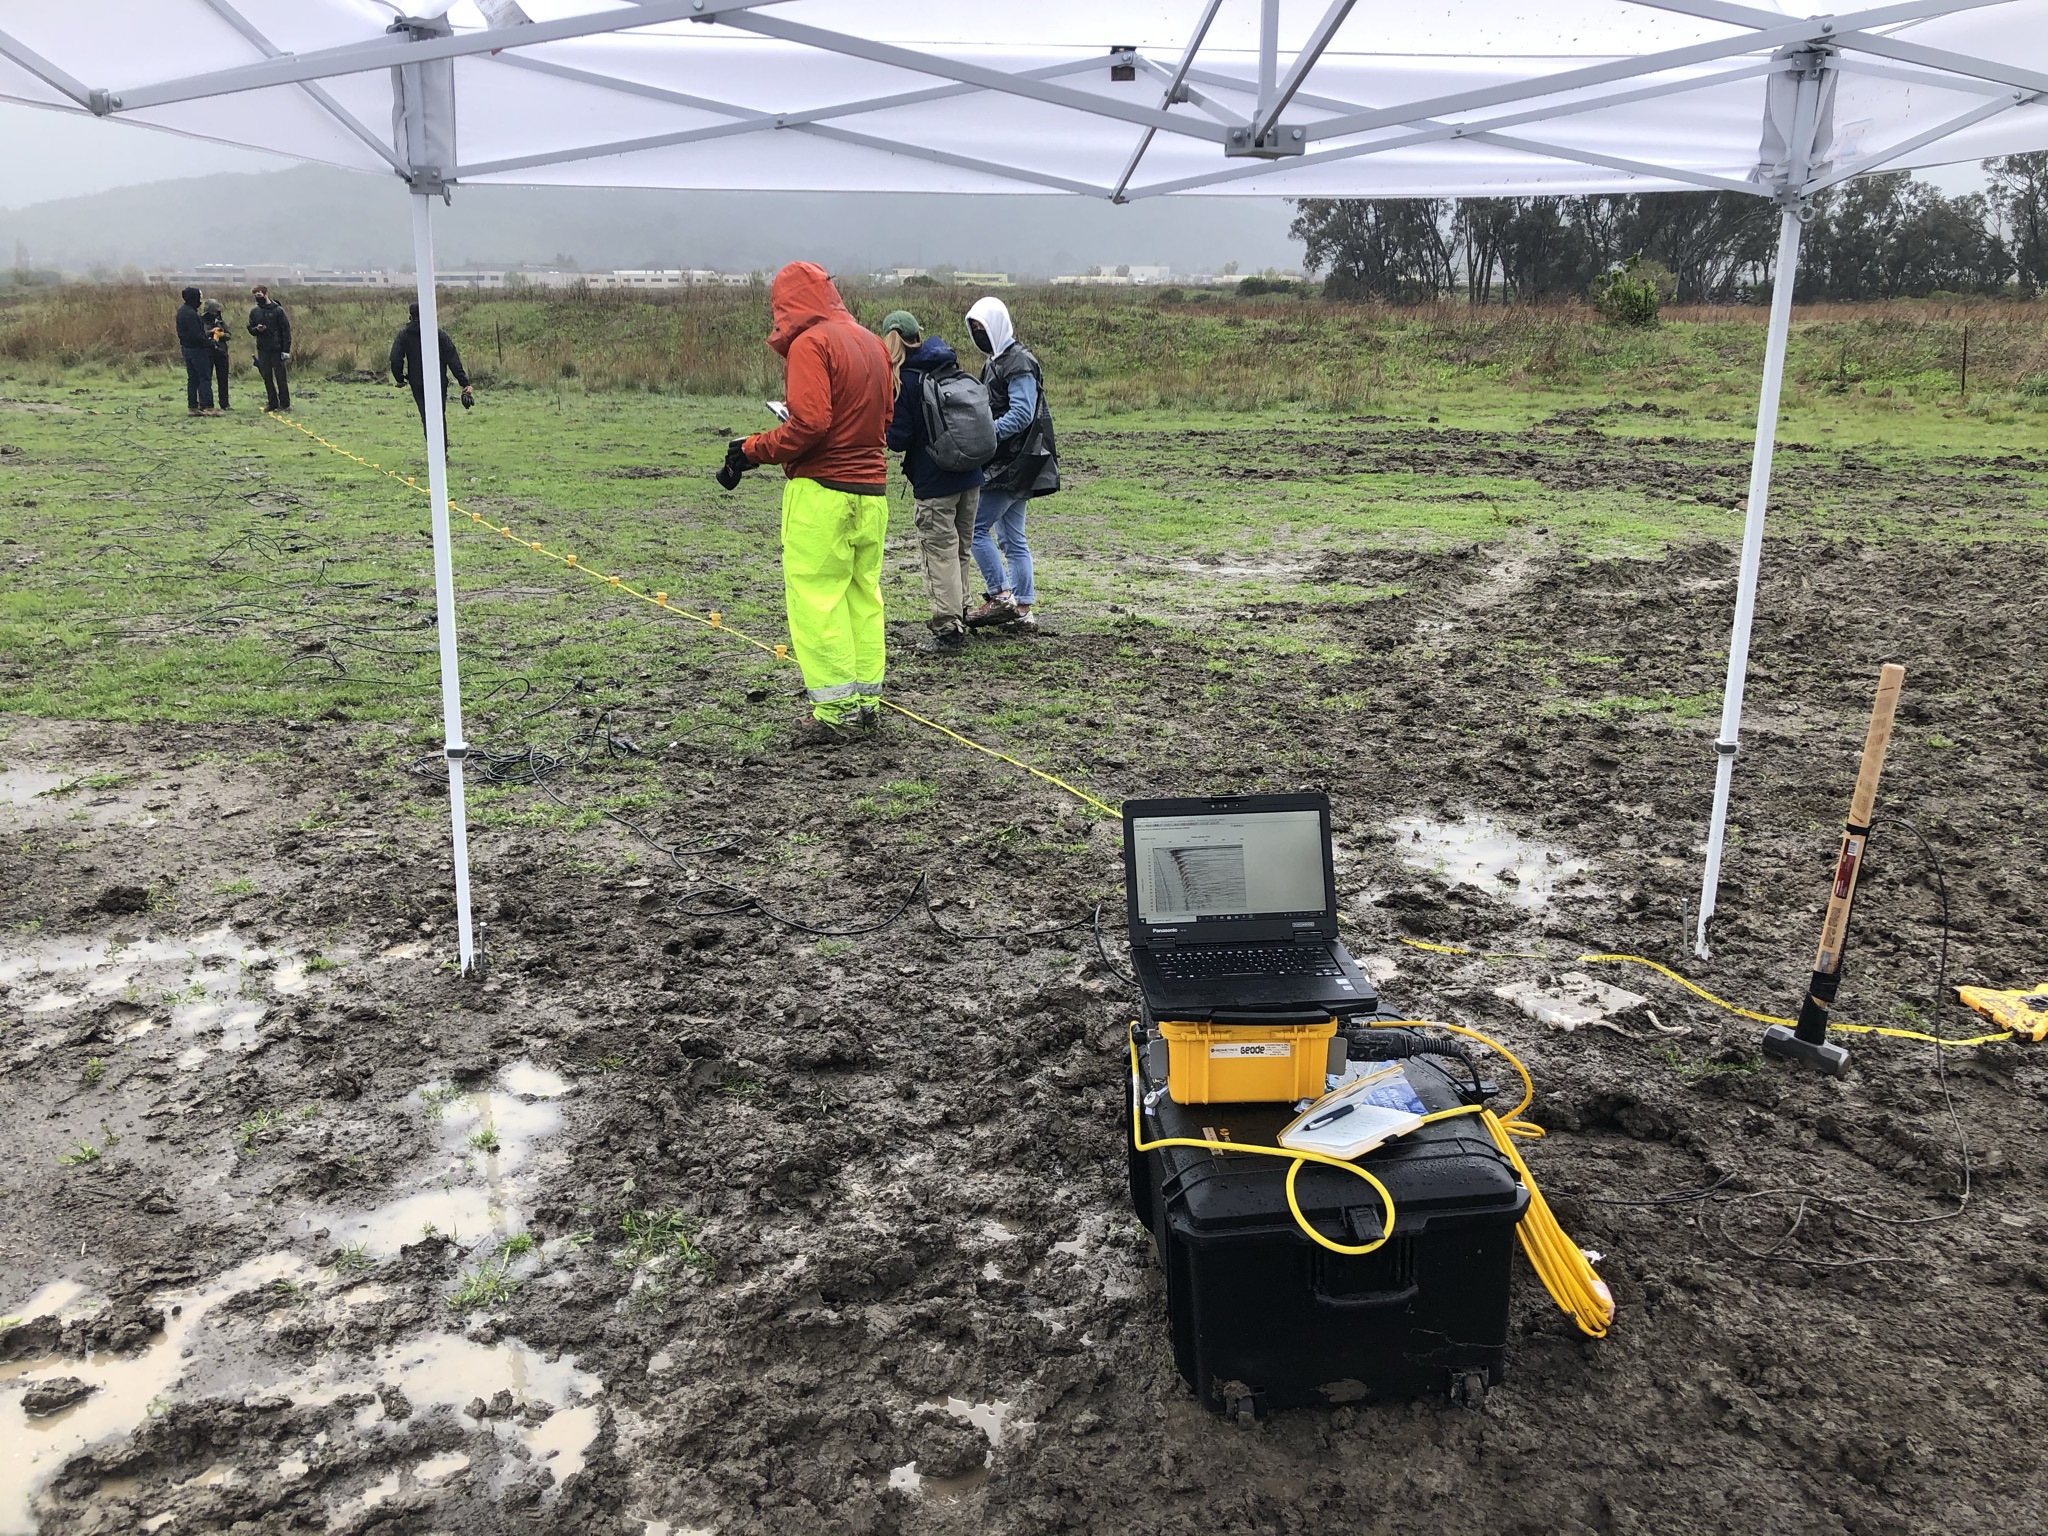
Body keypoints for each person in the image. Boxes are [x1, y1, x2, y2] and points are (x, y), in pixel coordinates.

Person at [717, 262, 892, 744]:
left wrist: (754, 449)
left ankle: (834, 711)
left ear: (786, 304)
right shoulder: (874, 343)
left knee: (819, 597)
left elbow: (810, 424)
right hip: (872, 494)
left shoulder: (809, 344)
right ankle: (866, 701)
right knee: (863, 595)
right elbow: (886, 418)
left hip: (822, 495)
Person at [881, 310, 983, 656]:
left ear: (892, 338)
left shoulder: (906, 380)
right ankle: (962, 611)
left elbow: (898, 438)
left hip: (934, 481)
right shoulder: (949, 366)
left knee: (939, 555)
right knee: (959, 552)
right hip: (970, 475)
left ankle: (948, 628)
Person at [963, 295, 1060, 629]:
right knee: (1012, 538)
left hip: (1013, 462)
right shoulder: (995, 361)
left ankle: (1000, 596)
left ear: (996, 325)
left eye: (982, 327)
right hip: (1016, 460)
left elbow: (1021, 413)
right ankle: (1022, 610)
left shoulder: (1017, 362)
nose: (978, 334)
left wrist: (988, 434)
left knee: (975, 528)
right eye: (973, 328)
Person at [388, 301, 473, 437]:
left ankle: (433, 452)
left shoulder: (404, 335)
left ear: (410, 316)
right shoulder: (439, 334)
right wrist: (464, 383)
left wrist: (400, 378)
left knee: (425, 416)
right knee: (439, 415)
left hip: (417, 382)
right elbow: (453, 359)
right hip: (438, 381)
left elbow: (395, 359)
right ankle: (442, 452)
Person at [247, 285, 292, 412]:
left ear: (266, 294)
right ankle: (272, 403)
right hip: (262, 348)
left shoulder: (278, 311)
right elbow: (250, 328)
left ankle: (285, 404)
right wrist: (257, 329)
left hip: (277, 348)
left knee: (280, 377)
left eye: (260, 295)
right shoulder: (254, 312)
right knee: (267, 376)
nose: (258, 298)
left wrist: (286, 350)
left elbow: (286, 331)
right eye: (256, 296)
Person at [174, 287, 217, 416]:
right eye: (199, 296)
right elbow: (196, 335)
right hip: (197, 350)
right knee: (204, 378)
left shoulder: (182, 311)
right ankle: (209, 407)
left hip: (186, 349)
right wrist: (211, 344)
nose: (201, 299)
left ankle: (193, 407)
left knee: (192, 379)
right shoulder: (191, 314)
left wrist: (207, 334)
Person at [201, 300, 233, 410]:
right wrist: (211, 332)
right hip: (207, 352)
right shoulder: (201, 321)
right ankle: (205, 403)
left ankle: (224, 404)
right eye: (213, 311)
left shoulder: (220, 321)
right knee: (206, 379)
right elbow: (201, 335)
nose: (214, 313)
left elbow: (229, 334)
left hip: (221, 352)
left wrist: (221, 334)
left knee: (223, 379)